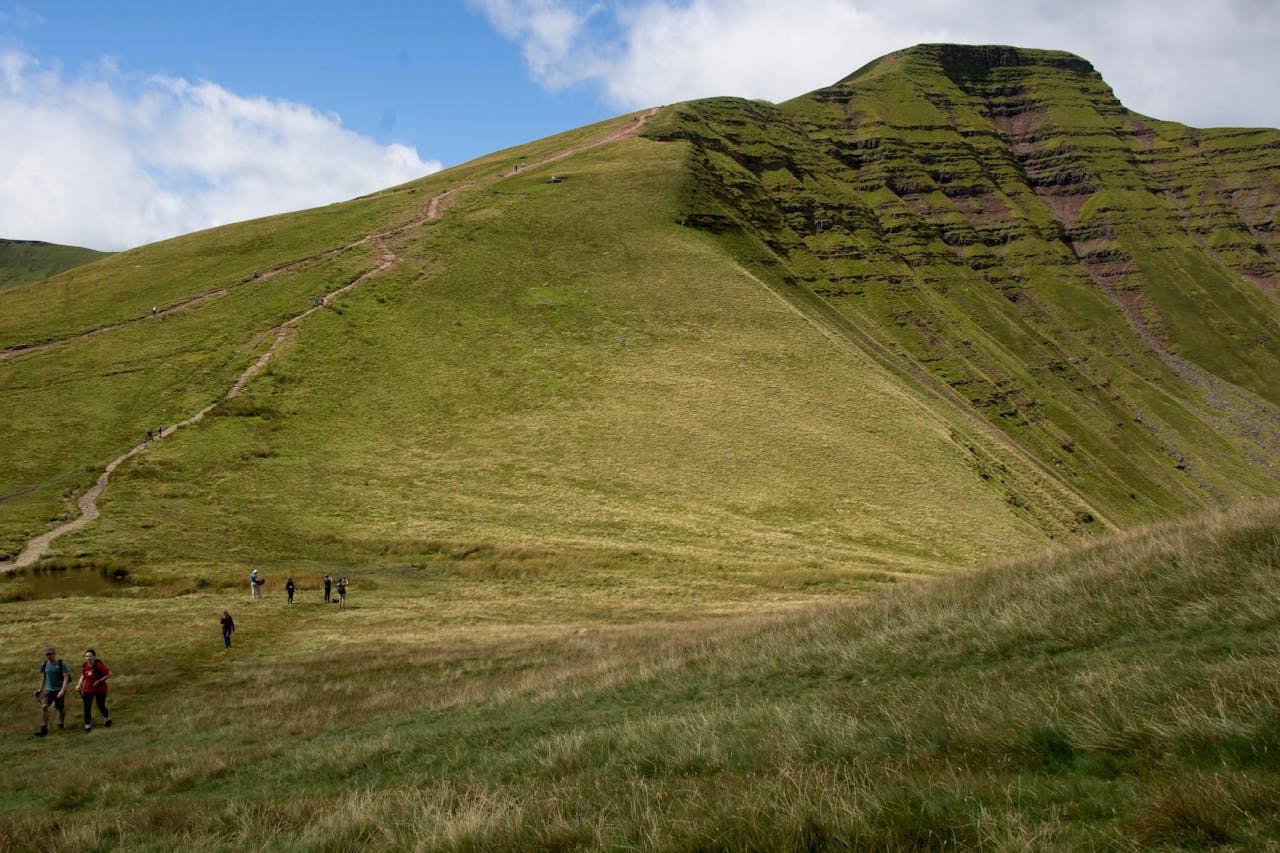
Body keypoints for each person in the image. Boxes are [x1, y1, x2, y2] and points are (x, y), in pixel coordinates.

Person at [33, 647, 70, 737]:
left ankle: (61, 722)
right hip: (48, 690)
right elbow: (44, 677)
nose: (49, 656)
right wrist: (40, 689)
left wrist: (62, 690)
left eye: (50, 654)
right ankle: (43, 729)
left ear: (54, 654)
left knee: (60, 708)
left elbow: (66, 678)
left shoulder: (61, 664)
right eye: (47, 654)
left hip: (59, 690)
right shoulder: (45, 664)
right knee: (44, 706)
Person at [75, 649, 112, 732]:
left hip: (100, 689)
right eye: (87, 656)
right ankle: (87, 725)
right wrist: (79, 684)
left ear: (94, 656)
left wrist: (99, 681)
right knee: (87, 707)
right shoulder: (85, 665)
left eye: (90, 656)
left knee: (100, 705)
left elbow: (110, 674)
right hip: (88, 689)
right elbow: (83, 675)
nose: (88, 658)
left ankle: (107, 718)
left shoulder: (98, 665)